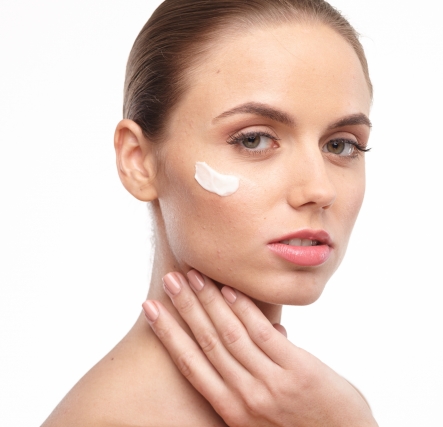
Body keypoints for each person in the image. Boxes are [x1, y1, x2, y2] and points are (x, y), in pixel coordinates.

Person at [42, 0, 377, 426]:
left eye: (341, 145)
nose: (319, 190)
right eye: (254, 139)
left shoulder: (324, 409)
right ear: (138, 161)